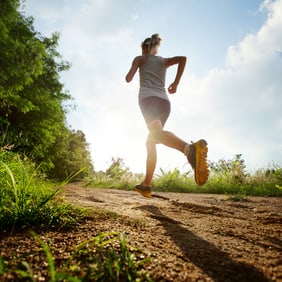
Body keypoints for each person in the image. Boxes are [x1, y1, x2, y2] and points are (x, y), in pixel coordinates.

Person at [125, 33, 208, 198]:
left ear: (145, 49)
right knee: (152, 141)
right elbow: (182, 59)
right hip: (164, 102)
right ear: (155, 49)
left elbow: (128, 78)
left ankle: (190, 149)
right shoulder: (163, 61)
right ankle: (146, 184)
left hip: (148, 100)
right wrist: (176, 83)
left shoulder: (140, 59)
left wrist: (136, 66)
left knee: (155, 135)